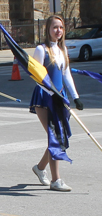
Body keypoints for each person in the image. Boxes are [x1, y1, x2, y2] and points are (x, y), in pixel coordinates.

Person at [29, 15, 83, 192]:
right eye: (55, 27)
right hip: (45, 99)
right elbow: (36, 77)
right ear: (48, 29)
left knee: (58, 137)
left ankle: (40, 168)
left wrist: (75, 97)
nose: (58, 30)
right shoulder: (41, 49)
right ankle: (56, 180)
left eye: (61, 27)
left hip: (61, 98)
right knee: (55, 137)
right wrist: (51, 92)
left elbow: (66, 75)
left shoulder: (62, 50)